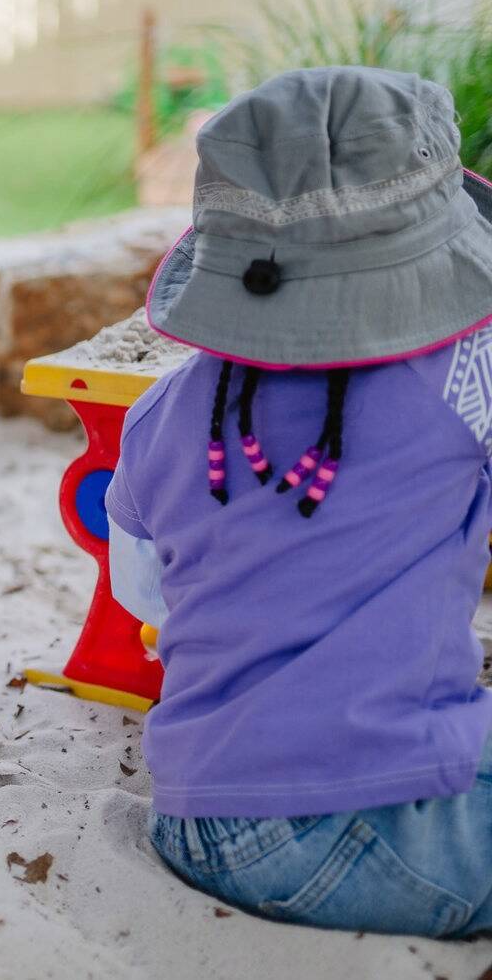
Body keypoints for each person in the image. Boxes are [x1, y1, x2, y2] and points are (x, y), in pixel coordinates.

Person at [108, 66, 492, 937]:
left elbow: (143, 595)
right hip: (371, 819)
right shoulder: (467, 374)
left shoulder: (162, 412)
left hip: (196, 814)